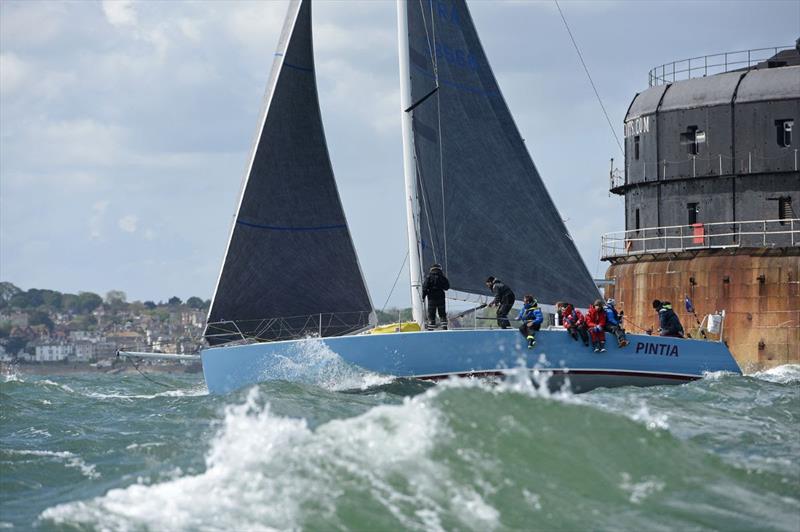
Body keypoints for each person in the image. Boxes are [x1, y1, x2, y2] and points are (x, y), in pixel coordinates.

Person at [422, 263, 450, 330]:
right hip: (441, 297)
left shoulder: (429, 277)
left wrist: (423, 297)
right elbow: (447, 287)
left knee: (431, 313)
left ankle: (431, 329)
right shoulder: (443, 277)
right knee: (442, 313)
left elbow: (425, 288)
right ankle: (444, 327)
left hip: (431, 298)